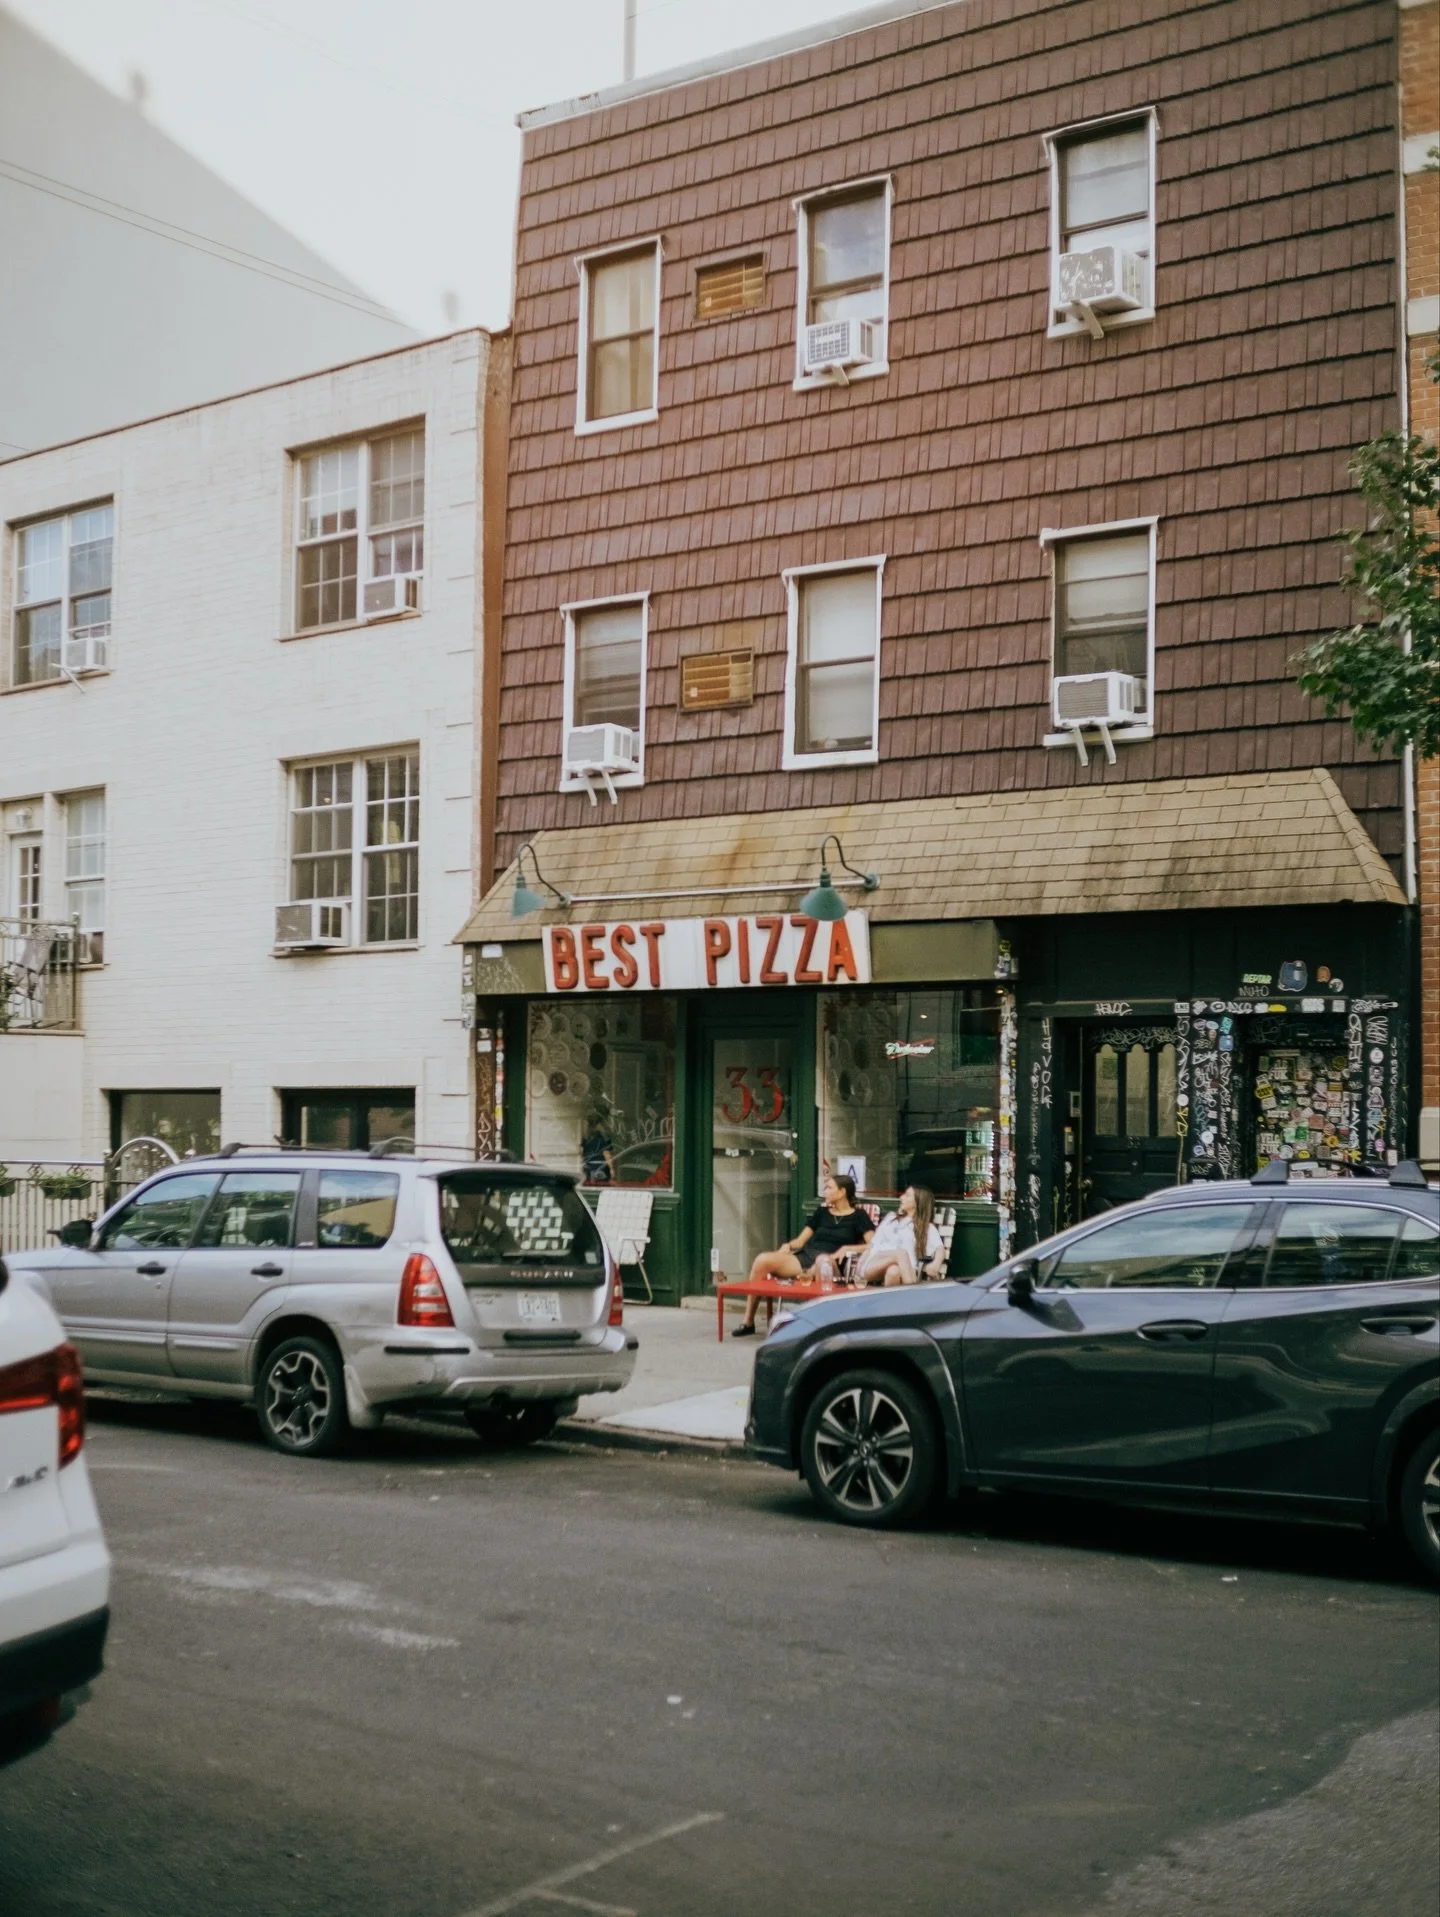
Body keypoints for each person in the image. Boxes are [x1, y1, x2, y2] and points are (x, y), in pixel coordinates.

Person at [731, 1173, 873, 1337]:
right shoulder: (822, 1212)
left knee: (822, 1261)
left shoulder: (859, 1216)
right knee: (762, 1260)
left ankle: (818, 1324)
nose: (824, 1191)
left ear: (842, 1192)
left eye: (829, 1188)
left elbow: (873, 1245)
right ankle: (748, 1322)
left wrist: (847, 1248)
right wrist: (788, 1245)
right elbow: (800, 1241)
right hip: (805, 1258)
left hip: (832, 1263)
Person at [858, 1185, 945, 1287]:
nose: (901, 1197)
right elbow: (873, 1244)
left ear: (918, 1202)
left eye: (907, 1195)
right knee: (901, 1254)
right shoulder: (891, 1218)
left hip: (905, 1269)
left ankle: (893, 1302)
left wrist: (936, 1264)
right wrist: (860, 1265)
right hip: (875, 1263)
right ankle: (915, 1293)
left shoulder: (926, 1227)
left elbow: (940, 1249)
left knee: (893, 1271)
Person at [581, 1112, 615, 1185]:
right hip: (600, 1167)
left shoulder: (586, 1137)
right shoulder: (602, 1137)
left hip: (589, 1167)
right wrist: (612, 1168)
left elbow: (582, 1152)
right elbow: (607, 1153)